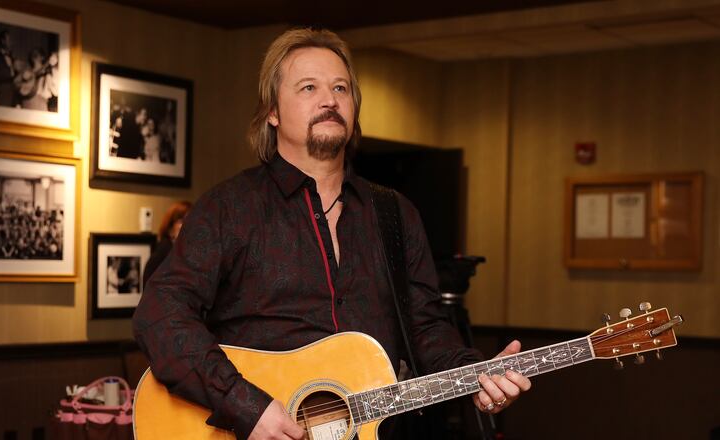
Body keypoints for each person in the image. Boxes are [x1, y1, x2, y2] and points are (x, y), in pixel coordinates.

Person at [133, 28, 530, 440]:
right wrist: (247, 406)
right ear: (272, 111)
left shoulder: (395, 214)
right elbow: (160, 315)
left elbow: (427, 331)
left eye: (341, 87)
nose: (330, 100)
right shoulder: (229, 208)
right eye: (309, 87)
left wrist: (477, 377)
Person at [141, 200, 192, 288]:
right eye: (182, 221)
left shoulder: (189, 253)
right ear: (170, 228)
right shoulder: (163, 254)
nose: (188, 225)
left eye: (191, 221)